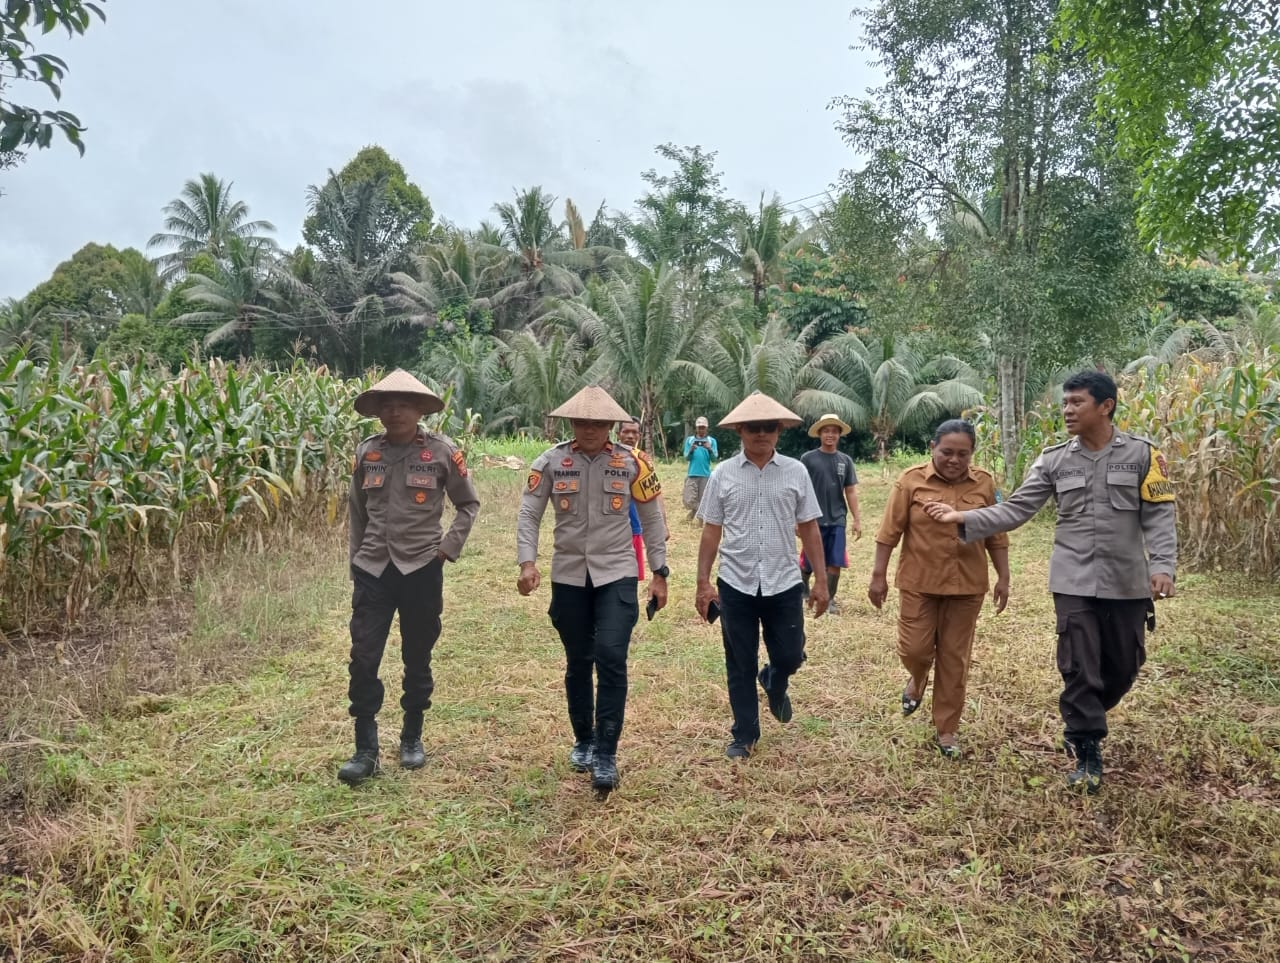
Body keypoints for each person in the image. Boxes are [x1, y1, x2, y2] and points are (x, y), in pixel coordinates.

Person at [923, 371, 1176, 793]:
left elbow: (1160, 515)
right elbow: (1017, 509)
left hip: (1126, 581)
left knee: (1123, 666)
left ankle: (1089, 714)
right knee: (1079, 666)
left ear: (1106, 406)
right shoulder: (1054, 460)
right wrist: (962, 517)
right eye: (1065, 403)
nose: (1067, 410)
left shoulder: (1144, 455)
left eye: (1077, 402)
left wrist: (1163, 565)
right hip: (1073, 579)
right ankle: (1085, 745)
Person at [517, 386, 669, 791]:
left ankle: (606, 752)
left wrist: (660, 572)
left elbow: (652, 519)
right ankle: (583, 740)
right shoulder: (550, 462)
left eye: (599, 423)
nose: (590, 429)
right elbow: (529, 513)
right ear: (572, 422)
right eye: (583, 422)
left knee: (612, 655)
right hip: (568, 574)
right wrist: (527, 562)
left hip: (617, 572)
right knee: (579, 659)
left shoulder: (633, 463)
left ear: (611, 425)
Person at [339, 370, 481, 785]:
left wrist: (446, 549)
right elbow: (357, 511)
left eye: (404, 404)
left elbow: (468, 505)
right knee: (364, 657)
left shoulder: (441, 452)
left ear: (420, 410)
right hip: (373, 570)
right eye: (387, 405)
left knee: (417, 655)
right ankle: (365, 749)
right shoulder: (368, 452)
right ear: (378, 412)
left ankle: (411, 736)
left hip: (421, 568)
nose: (395, 412)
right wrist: (356, 561)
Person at [695, 392, 829, 760]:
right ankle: (744, 734)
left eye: (768, 427)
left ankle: (775, 678)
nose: (761, 434)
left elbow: (809, 527)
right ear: (740, 430)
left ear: (779, 430)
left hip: (783, 580)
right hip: (735, 582)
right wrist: (703, 582)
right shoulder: (723, 474)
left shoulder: (795, 471)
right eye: (753, 427)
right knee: (740, 661)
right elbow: (711, 530)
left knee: (790, 654)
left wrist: (820, 580)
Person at [867, 419, 1010, 758]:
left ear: (972, 454)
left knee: (954, 658)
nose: (954, 460)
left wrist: (1003, 577)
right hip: (919, 581)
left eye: (963, 454)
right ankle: (917, 680)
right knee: (915, 650)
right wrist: (878, 575)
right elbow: (889, 532)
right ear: (932, 448)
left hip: (967, 585)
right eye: (947, 452)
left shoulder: (985, 483)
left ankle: (947, 730)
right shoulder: (910, 481)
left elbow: (997, 534)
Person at [799, 413, 863, 613]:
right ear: (819, 434)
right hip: (812, 519)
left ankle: (829, 599)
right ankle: (803, 589)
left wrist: (857, 519)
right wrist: (795, 519)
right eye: (826, 431)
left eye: (834, 431)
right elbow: (799, 490)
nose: (830, 435)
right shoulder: (808, 459)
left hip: (837, 519)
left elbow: (850, 491)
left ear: (839, 435)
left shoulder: (845, 461)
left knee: (835, 561)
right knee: (809, 560)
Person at [617, 419, 669, 579]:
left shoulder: (643, 461)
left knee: (630, 576)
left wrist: (664, 525)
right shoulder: (607, 458)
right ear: (618, 434)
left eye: (634, 432)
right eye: (626, 431)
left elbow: (655, 493)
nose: (630, 436)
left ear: (639, 435)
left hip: (635, 526)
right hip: (614, 529)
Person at [682, 416, 718, 521]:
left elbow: (714, 459)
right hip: (692, 473)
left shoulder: (711, 441)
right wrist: (691, 450)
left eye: (703, 427)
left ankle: (700, 520)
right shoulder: (690, 440)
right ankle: (698, 510)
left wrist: (709, 449)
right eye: (699, 427)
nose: (701, 430)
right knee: (688, 499)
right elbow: (686, 458)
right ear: (696, 428)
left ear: (706, 428)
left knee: (703, 498)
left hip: (705, 474)